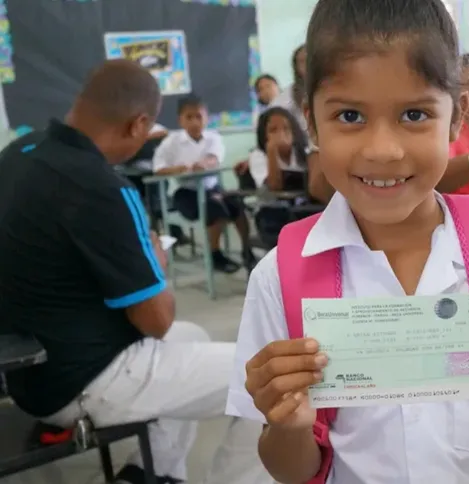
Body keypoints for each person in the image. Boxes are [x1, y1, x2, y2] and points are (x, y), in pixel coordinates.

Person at [226, 1, 469, 483]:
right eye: (349, 115)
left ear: (456, 120)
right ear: (312, 122)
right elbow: (292, 470)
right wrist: (287, 427)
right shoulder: (281, 277)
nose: (383, 150)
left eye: (415, 113)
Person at [0, 60, 271, 484]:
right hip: (86, 379)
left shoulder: (18, 154)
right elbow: (156, 320)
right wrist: (155, 263)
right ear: (138, 124)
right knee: (274, 382)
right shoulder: (104, 188)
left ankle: (151, 475)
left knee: (194, 337)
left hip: (27, 374)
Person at [153, 94, 256, 273]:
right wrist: (180, 168)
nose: (194, 122)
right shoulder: (171, 142)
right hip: (186, 192)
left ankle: (247, 251)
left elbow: (213, 158)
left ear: (207, 118)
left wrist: (203, 164)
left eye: (199, 117)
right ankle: (215, 254)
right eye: (189, 117)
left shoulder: (213, 137)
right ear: (180, 120)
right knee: (215, 209)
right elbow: (158, 168)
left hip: (212, 188)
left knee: (236, 205)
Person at [248, 106, 311, 246]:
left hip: (301, 210)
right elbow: (275, 186)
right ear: (264, 135)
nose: (281, 134)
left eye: (286, 128)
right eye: (273, 130)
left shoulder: (304, 153)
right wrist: (272, 152)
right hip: (271, 213)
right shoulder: (258, 155)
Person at [271, 44, 308, 133]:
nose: (308, 65)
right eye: (303, 61)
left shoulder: (333, 88)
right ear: (296, 67)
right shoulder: (288, 96)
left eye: (312, 60)